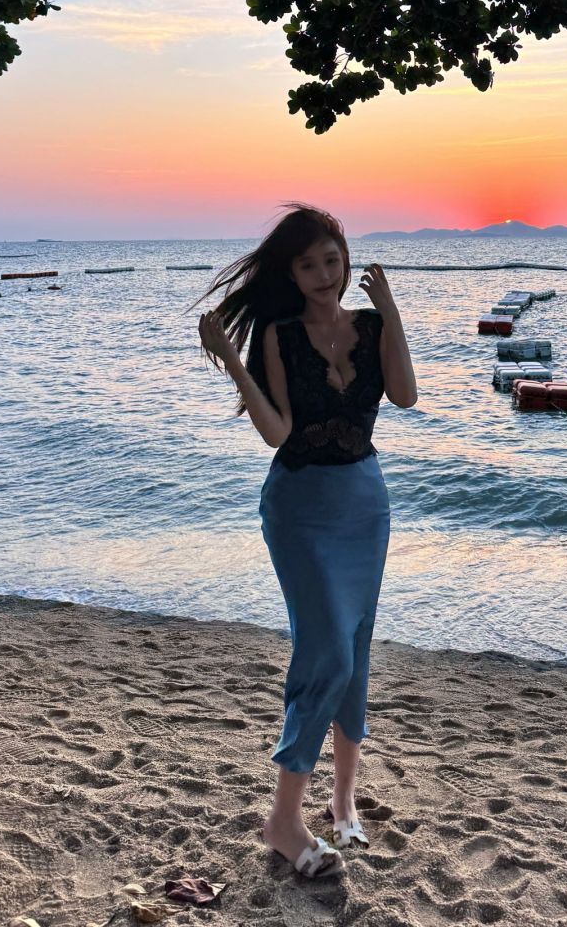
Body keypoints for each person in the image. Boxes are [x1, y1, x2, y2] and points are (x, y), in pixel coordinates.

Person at [198, 205, 417, 880]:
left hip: (364, 505)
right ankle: (283, 821)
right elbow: (277, 433)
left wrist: (394, 313)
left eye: (331, 259)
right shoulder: (280, 335)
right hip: (299, 509)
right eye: (307, 264)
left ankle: (342, 802)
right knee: (326, 655)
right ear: (289, 273)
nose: (324, 275)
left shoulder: (373, 326)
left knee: (352, 650)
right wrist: (234, 362)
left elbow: (405, 396)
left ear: (346, 258)